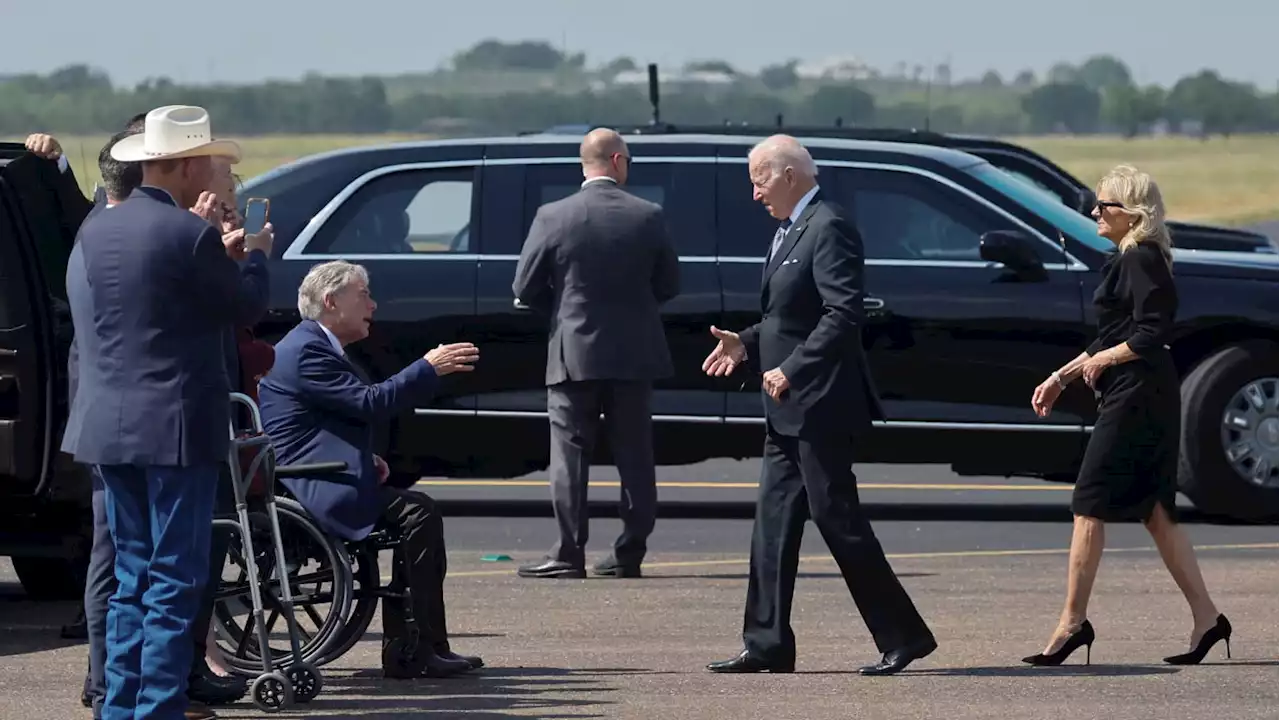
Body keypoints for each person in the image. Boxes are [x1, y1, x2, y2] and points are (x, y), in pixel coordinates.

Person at [62, 104, 269, 720]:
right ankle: (156, 707)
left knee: (129, 575)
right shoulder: (189, 233)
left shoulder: (98, 229)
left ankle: (119, 706)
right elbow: (245, 308)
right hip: (175, 425)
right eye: (207, 160)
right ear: (182, 166)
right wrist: (252, 255)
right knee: (174, 578)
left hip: (108, 423)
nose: (214, 170)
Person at [701, 135, 936, 677]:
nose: (755, 193)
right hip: (785, 407)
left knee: (838, 520)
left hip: (820, 404)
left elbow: (842, 313)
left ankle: (904, 636)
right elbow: (790, 319)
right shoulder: (789, 229)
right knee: (773, 524)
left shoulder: (828, 226)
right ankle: (766, 644)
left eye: (759, 180)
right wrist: (747, 341)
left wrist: (792, 369)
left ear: (788, 175)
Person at [1024, 165, 1231, 667]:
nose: (1095, 212)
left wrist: (1099, 362)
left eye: (1104, 205)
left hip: (1140, 396)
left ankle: (1072, 624)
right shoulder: (1128, 258)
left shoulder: (1141, 256)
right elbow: (1113, 335)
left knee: (1088, 501)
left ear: (1132, 213)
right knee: (1156, 512)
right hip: (1137, 390)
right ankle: (1208, 620)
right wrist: (1063, 375)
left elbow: (1152, 333)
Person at [256, 260, 484, 679]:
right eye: (364, 295)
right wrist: (427, 367)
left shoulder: (314, 344)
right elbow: (369, 403)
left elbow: (331, 418)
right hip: (312, 484)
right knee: (419, 514)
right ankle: (417, 648)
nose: (374, 305)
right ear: (331, 301)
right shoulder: (307, 349)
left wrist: (364, 458)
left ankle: (414, 645)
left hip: (320, 471)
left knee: (416, 508)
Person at [511, 127, 680, 579]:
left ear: (584, 165)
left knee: (569, 457)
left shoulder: (554, 215)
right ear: (619, 162)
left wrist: (564, 312)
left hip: (572, 352)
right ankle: (629, 553)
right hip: (634, 353)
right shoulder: (649, 215)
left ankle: (568, 552)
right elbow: (669, 285)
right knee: (636, 456)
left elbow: (524, 287)